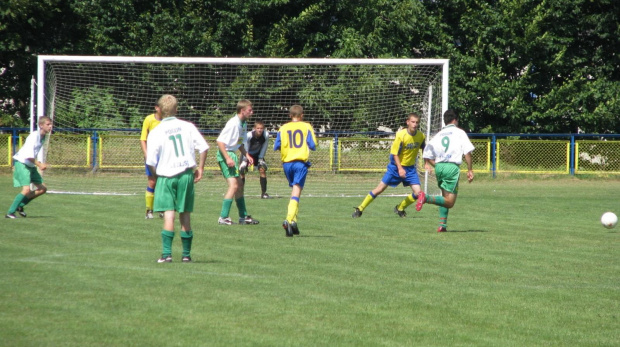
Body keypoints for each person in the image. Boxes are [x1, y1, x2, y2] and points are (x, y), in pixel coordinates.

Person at [145, 94, 209, 263]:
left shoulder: (156, 131)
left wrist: (157, 175)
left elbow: (151, 161)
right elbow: (203, 147)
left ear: (159, 111)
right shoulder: (187, 126)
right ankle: (186, 255)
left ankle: (167, 254)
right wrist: (200, 168)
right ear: (176, 109)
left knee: (169, 214)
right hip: (186, 173)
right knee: (185, 214)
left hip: (166, 175)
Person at [352, 113, 426, 219]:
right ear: (408, 122)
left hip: (410, 169)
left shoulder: (421, 136)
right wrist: (400, 169)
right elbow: (395, 154)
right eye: (413, 122)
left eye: (417, 122)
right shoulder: (401, 135)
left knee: (418, 193)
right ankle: (360, 208)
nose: (415, 124)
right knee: (379, 189)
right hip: (395, 167)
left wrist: (427, 163)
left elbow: (424, 149)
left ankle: (400, 208)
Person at [418, 109, 475, 232]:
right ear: (455, 120)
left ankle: (442, 225)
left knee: (445, 196)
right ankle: (426, 198)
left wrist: (435, 165)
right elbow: (467, 152)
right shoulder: (459, 132)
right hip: (451, 167)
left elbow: (426, 154)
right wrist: (470, 169)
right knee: (450, 202)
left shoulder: (438, 134)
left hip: (439, 167)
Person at [274, 105, 317, 237]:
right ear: (302, 115)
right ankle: (288, 219)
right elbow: (313, 145)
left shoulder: (283, 128)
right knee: (296, 193)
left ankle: (293, 223)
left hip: (287, 164)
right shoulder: (306, 126)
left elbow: (276, 145)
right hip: (300, 163)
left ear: (290, 115)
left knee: (294, 190)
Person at [216, 99, 260, 225]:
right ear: (242, 111)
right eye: (249, 110)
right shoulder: (233, 123)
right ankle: (223, 217)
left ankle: (243, 217)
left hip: (231, 154)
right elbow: (220, 142)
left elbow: (239, 143)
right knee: (234, 185)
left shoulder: (243, 124)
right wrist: (228, 158)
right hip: (225, 154)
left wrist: (247, 155)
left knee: (239, 185)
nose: (252, 112)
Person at [6, 116, 53, 219]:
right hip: (22, 163)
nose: (50, 126)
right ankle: (10, 213)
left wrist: (37, 163)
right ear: (41, 125)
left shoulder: (43, 136)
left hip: (30, 165)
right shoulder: (33, 136)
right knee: (26, 189)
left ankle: (20, 206)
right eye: (48, 124)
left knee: (42, 188)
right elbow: (28, 155)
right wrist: (40, 164)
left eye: (51, 124)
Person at [140, 101, 163, 219]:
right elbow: (143, 138)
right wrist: (146, 154)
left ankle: (163, 209)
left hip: (165, 156)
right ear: (156, 108)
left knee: (164, 182)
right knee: (152, 182)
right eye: (161, 107)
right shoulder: (149, 119)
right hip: (152, 156)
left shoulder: (167, 121)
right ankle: (149, 210)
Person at [239, 119, 270, 199]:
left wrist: (261, 158)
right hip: (247, 155)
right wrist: (245, 160)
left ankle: (264, 193)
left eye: (261, 128)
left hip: (258, 156)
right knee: (242, 171)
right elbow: (245, 146)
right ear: (254, 128)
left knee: (262, 170)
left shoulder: (266, 135)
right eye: (258, 128)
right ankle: (240, 193)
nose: (259, 130)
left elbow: (264, 147)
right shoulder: (249, 135)